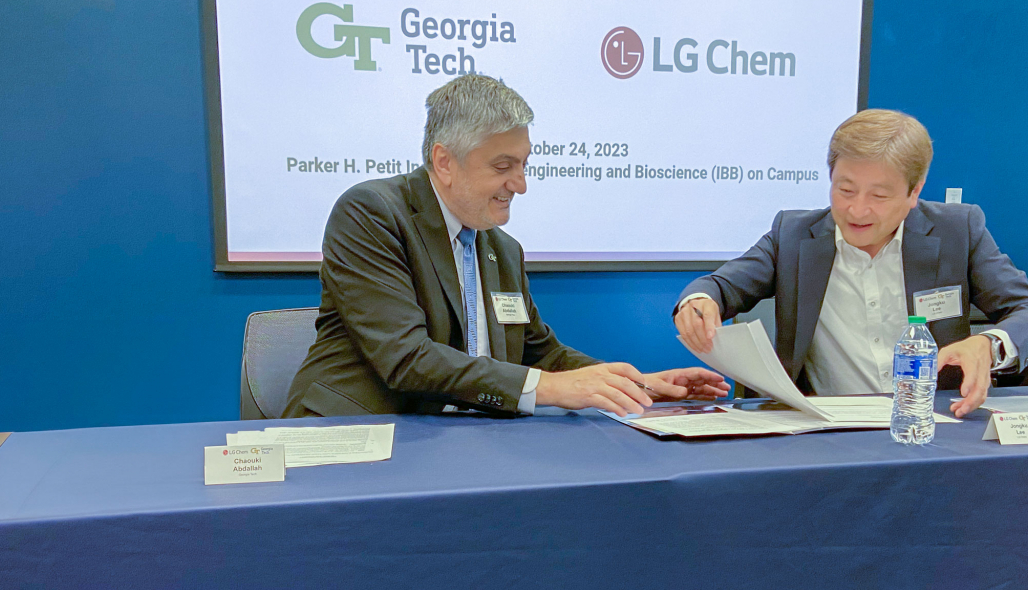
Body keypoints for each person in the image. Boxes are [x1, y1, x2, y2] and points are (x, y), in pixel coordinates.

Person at [285, 74, 726, 418]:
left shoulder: (502, 249)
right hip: (363, 434)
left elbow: (541, 353)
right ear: (444, 162)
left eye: (524, 164)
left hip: (460, 443)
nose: (520, 184)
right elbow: (407, 359)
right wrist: (552, 388)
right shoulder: (372, 213)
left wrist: (632, 384)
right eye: (503, 166)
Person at [674, 109, 1028, 417]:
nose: (857, 210)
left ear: (914, 191)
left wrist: (987, 346)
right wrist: (698, 301)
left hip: (932, 424)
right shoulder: (794, 235)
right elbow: (721, 286)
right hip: (825, 430)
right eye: (845, 189)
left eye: (879, 195)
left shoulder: (958, 231)